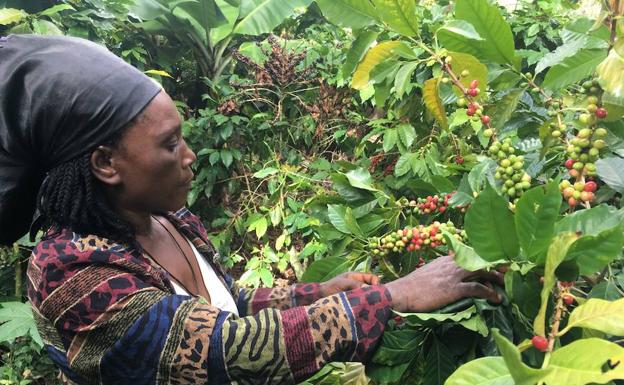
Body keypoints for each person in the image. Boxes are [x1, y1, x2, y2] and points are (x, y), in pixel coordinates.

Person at [0, 35, 503, 385]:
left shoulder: (169, 220)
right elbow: (224, 350)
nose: (190, 156)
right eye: (169, 143)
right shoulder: (70, 274)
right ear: (106, 163)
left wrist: (319, 292)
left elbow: (228, 303)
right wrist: (394, 296)